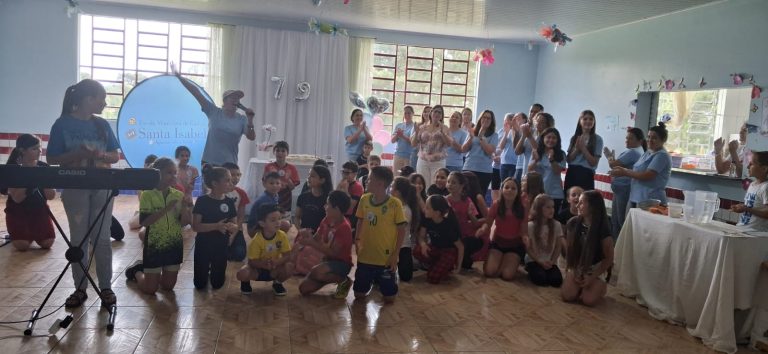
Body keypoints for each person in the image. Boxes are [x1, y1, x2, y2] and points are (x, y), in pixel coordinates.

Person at [47, 79, 121, 308]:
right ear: (88, 99)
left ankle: (106, 287)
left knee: (102, 239)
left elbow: (114, 155)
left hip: (102, 186)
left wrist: (100, 155)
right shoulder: (62, 124)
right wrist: (76, 154)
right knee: (78, 239)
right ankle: (80, 289)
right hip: (75, 188)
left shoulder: (101, 125)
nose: (105, 102)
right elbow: (52, 159)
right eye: (101, 98)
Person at [125, 158, 192, 294]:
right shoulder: (147, 195)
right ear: (158, 174)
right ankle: (137, 271)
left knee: (168, 286)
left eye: (175, 173)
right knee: (151, 289)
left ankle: (152, 275)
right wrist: (167, 208)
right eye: (169, 173)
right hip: (154, 246)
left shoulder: (178, 195)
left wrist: (185, 207)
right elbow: (145, 222)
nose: (174, 176)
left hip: (174, 246)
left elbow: (185, 222)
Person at [174, 71, 255, 167]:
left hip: (230, 164)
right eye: (232, 97)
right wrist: (180, 77)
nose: (235, 100)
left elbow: (251, 137)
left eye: (237, 98)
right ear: (224, 101)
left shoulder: (242, 119)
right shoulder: (213, 111)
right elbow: (197, 93)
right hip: (210, 162)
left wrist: (250, 120)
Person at [353, 167, 407, 303]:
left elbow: (401, 230)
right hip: (366, 256)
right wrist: (357, 240)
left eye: (370, 179)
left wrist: (395, 254)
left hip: (385, 258)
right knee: (359, 295)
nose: (366, 181)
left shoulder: (395, 204)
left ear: (380, 184)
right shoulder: (364, 200)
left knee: (389, 298)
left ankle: (382, 280)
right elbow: (360, 220)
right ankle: (371, 282)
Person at [2, 134, 56, 251]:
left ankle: (31, 233)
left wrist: (39, 176)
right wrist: (30, 174)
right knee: (22, 245)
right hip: (17, 211)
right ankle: (22, 234)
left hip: (39, 208)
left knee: (47, 243)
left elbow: (51, 195)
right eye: (35, 148)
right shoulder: (12, 168)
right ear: (22, 151)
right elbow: (17, 198)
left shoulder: (44, 167)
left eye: (40, 147)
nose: (39, 151)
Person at [297, 191, 354, 298]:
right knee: (303, 289)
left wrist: (311, 243)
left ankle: (344, 281)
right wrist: (307, 235)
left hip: (342, 264)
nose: (324, 206)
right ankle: (327, 276)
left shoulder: (344, 227)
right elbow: (316, 238)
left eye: (327, 204)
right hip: (327, 261)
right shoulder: (326, 220)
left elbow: (334, 253)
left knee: (316, 272)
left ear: (336, 209)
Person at [562, 191, 613, 307]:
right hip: (578, 265)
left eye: (581, 203)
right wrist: (574, 270)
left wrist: (592, 276)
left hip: (596, 267)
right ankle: (580, 286)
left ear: (592, 206)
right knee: (568, 295)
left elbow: (609, 258)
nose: (577, 206)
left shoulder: (603, 230)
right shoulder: (573, 223)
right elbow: (570, 251)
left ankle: (600, 285)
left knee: (588, 300)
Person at [192, 166, 238, 290]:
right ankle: (204, 272)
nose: (231, 183)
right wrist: (216, 226)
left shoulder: (229, 202)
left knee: (217, 284)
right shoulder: (202, 201)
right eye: (227, 180)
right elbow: (195, 226)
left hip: (221, 244)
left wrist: (232, 228)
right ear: (215, 183)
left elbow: (235, 224)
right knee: (199, 285)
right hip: (204, 244)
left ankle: (214, 272)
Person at [609, 122, 672, 207]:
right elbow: (637, 171)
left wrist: (624, 172)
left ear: (663, 140)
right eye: (649, 137)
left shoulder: (662, 155)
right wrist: (623, 171)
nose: (650, 140)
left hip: (651, 200)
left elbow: (647, 175)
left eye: (654, 138)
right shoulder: (648, 152)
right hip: (635, 197)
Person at [236, 204, 294, 296]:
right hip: (257, 270)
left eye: (279, 218)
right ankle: (245, 282)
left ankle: (277, 283)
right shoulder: (256, 240)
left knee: (290, 267)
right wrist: (263, 264)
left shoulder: (282, 235)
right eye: (273, 220)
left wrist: (277, 262)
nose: (278, 222)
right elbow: (251, 262)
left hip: (274, 269)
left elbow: (288, 255)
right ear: (262, 223)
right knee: (242, 273)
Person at [477, 178, 527, 281]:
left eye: (513, 188)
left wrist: (525, 237)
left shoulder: (522, 207)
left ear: (518, 192)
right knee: (489, 272)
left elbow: (523, 229)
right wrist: (483, 229)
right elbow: (488, 223)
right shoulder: (496, 204)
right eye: (507, 187)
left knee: (507, 276)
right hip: (498, 243)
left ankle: (508, 261)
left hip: (515, 245)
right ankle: (503, 261)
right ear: (502, 189)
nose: (509, 190)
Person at [604, 128, 645, 237]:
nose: (627, 140)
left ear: (640, 141)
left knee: (620, 220)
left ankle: (618, 247)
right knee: (617, 220)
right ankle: (615, 247)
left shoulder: (633, 152)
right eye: (627, 138)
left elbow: (613, 165)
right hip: (622, 189)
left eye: (631, 138)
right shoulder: (637, 150)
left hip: (624, 189)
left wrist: (609, 157)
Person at [414, 195, 464, 284]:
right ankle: (437, 265)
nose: (424, 209)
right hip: (435, 248)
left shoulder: (448, 226)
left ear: (437, 213)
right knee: (417, 250)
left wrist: (458, 267)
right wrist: (423, 244)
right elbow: (421, 236)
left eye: (427, 208)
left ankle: (446, 266)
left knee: (433, 278)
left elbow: (460, 247)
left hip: (448, 251)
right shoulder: (427, 219)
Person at [524, 194, 564, 287]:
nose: (552, 210)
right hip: (534, 260)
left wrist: (553, 261)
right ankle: (530, 269)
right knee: (540, 279)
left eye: (553, 207)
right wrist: (539, 261)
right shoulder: (530, 226)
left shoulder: (556, 225)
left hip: (549, 261)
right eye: (548, 207)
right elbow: (528, 249)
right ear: (539, 209)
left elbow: (558, 246)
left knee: (556, 281)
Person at [445, 172, 482, 271]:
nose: (449, 184)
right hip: (449, 235)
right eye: (448, 182)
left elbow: (475, 223)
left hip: (464, 235)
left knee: (476, 243)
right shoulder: (444, 200)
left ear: (462, 185)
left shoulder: (467, 201)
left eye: (453, 182)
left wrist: (471, 215)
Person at [528, 127, 566, 213]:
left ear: (557, 140)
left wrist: (551, 159)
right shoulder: (536, 152)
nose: (551, 140)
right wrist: (536, 160)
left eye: (554, 138)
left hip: (555, 194)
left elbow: (557, 171)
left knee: (552, 220)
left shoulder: (561, 154)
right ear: (543, 138)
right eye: (548, 137)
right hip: (538, 192)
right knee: (536, 219)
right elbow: (529, 170)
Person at [412, 105, 454, 182]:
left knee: (435, 184)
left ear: (442, 116)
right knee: (423, 183)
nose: (437, 114)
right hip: (423, 160)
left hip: (438, 161)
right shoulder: (422, 127)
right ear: (431, 114)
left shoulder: (445, 127)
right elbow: (413, 144)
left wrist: (443, 133)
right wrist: (416, 132)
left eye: (439, 112)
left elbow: (449, 144)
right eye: (435, 111)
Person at [564, 110, 603, 194]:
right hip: (572, 172)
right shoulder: (574, 138)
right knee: (569, 201)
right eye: (585, 119)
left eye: (591, 119)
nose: (588, 121)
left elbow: (593, 163)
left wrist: (583, 148)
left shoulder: (598, 139)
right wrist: (577, 149)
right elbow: (568, 160)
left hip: (586, 174)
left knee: (585, 202)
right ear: (580, 121)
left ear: (594, 122)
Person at [461, 109, 499, 195]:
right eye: (484, 117)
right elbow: (463, 149)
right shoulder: (472, 131)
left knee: (479, 197)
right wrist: (471, 137)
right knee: (466, 196)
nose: (485, 120)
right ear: (480, 119)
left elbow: (489, 151)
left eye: (488, 118)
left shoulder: (494, 135)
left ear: (491, 121)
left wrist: (481, 136)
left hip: (484, 171)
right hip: (469, 167)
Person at [391, 176, 420, 282]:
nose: (390, 189)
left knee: (406, 277)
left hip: (403, 246)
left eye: (392, 187)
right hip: (389, 245)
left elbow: (399, 229)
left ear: (398, 192)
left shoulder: (405, 210)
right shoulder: (391, 205)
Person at [731, 151, 768, 230]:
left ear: (764, 168)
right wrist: (741, 208)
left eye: (751, 164)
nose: (748, 166)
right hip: (742, 228)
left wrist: (746, 209)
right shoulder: (752, 185)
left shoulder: (766, 187)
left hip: (755, 233)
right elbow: (753, 206)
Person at [222, 162, 250, 261]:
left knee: (240, 254)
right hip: (219, 228)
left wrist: (233, 235)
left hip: (236, 228)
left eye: (238, 175)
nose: (236, 178)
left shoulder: (241, 193)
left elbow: (241, 217)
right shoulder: (218, 192)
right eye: (232, 174)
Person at [263, 141, 299, 212]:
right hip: (271, 195)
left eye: (283, 151)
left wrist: (287, 178)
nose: (280, 153)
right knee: (270, 216)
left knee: (284, 219)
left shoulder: (292, 168)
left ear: (287, 153)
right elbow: (264, 183)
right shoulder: (268, 167)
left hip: (286, 196)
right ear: (274, 152)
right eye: (277, 150)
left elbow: (292, 187)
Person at [295, 165, 333, 232]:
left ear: (322, 180)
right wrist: (300, 230)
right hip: (304, 234)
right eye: (309, 175)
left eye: (312, 176)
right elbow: (297, 217)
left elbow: (332, 222)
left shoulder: (329, 199)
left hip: (321, 236)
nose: (308, 178)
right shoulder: (302, 197)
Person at [514, 104, 545, 182]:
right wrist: (523, 135)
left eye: (536, 112)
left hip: (539, 173)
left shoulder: (544, 131)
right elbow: (517, 151)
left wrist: (529, 136)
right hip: (525, 171)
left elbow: (541, 152)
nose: (532, 114)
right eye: (531, 111)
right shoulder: (526, 128)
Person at [337, 161, 364, 231]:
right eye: (343, 172)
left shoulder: (357, 186)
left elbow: (351, 206)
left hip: (351, 219)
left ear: (355, 174)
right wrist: (338, 188)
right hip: (340, 216)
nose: (344, 175)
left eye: (347, 173)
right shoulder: (342, 183)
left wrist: (345, 190)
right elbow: (334, 199)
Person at [498, 112, 525, 183]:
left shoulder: (519, 130)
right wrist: (506, 133)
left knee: (512, 183)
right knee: (503, 184)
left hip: (514, 163)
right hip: (504, 162)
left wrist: (514, 129)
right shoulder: (505, 131)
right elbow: (501, 146)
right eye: (504, 121)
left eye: (506, 121)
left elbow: (515, 145)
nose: (505, 123)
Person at [391, 106, 416, 173]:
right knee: (396, 176)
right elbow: (392, 141)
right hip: (398, 155)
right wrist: (397, 135)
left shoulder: (415, 126)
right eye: (405, 113)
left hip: (409, 156)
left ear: (413, 114)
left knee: (408, 178)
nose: (407, 115)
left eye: (409, 113)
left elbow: (413, 142)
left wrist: (402, 136)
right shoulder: (399, 125)